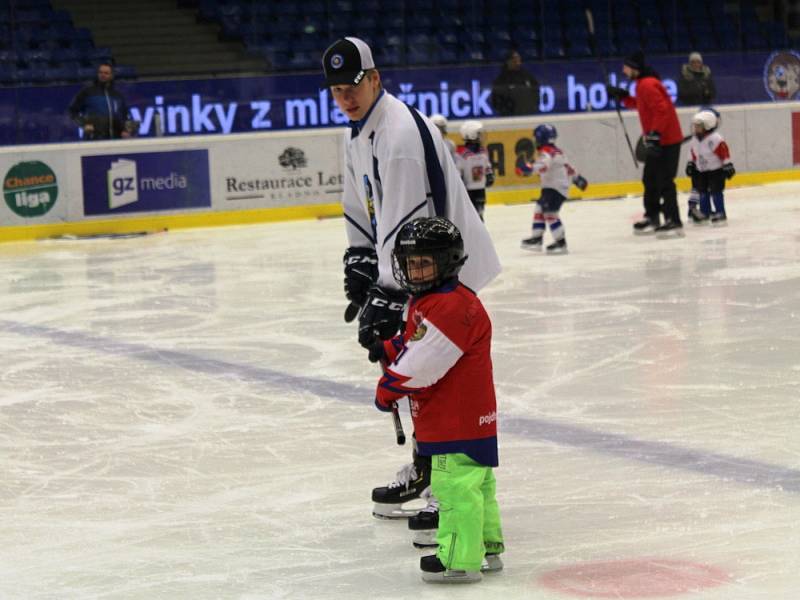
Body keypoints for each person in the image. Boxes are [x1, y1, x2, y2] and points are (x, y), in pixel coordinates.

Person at [322, 37, 501, 537]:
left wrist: (384, 292)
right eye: (337, 90)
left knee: (441, 383)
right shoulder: (358, 132)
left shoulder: (398, 135)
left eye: (354, 85)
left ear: (375, 78)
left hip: (441, 277)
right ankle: (430, 468)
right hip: (414, 275)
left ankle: (449, 484)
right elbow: (360, 204)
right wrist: (359, 259)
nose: (346, 97)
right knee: (416, 375)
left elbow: (407, 222)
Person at [372, 216, 504, 583]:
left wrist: (389, 388)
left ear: (447, 261)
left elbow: (423, 364)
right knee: (478, 486)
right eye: (410, 264)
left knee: (454, 489)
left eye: (424, 263)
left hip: (455, 420)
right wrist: (387, 347)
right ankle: (486, 547)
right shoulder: (432, 301)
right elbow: (416, 342)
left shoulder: (449, 306)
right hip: (461, 419)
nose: (415, 272)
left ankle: (459, 560)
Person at [606, 50, 684, 236]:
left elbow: (662, 111)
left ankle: (673, 221)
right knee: (650, 179)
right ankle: (653, 216)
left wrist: (655, 134)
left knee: (664, 181)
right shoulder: (642, 84)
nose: (623, 71)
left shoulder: (647, 85)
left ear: (635, 68)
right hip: (658, 140)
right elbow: (643, 106)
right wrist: (623, 97)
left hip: (666, 141)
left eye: (626, 67)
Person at [517, 124, 587, 254]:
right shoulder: (557, 151)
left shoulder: (546, 153)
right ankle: (537, 238)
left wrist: (528, 169)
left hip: (554, 189)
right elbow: (568, 167)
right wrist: (578, 178)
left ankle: (560, 242)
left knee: (550, 213)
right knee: (540, 208)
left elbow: (543, 166)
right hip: (554, 188)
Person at [686, 108, 735, 224]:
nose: (696, 128)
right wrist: (690, 163)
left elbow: (724, 152)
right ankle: (705, 212)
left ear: (707, 125)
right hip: (701, 171)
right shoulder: (695, 139)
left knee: (716, 191)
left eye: (699, 126)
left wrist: (727, 164)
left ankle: (720, 212)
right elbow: (692, 152)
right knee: (702, 191)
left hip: (715, 171)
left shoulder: (715, 139)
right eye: (695, 125)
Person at [68, 62, 132, 140]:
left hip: (115, 139)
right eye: (100, 72)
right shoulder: (88, 92)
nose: (103, 75)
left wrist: (125, 130)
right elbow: (72, 111)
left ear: (112, 75)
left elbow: (125, 116)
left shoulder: (117, 96)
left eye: (106, 73)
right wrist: (84, 124)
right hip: (93, 138)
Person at [455, 120, 494, 221]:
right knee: (470, 212)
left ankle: (480, 223)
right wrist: (460, 181)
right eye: (479, 133)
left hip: (480, 187)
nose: (481, 136)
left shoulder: (483, 151)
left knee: (480, 209)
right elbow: (458, 169)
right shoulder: (462, 154)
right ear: (472, 135)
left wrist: (489, 174)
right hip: (469, 188)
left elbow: (487, 164)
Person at [490, 50, 539, 116]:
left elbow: (535, 91)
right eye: (514, 58)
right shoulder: (501, 80)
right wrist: (506, 111)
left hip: (528, 114)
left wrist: (533, 107)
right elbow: (496, 100)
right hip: (510, 117)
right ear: (508, 61)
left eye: (518, 57)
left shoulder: (527, 76)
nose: (517, 60)